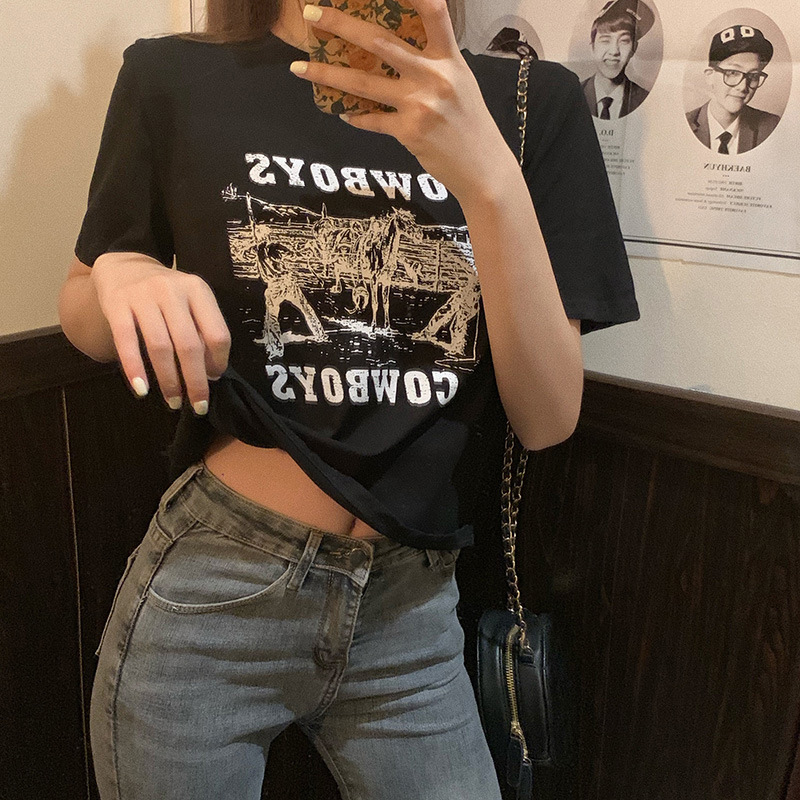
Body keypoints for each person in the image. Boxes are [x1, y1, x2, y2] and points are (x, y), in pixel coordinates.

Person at [58, 0, 640, 797]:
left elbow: (547, 417)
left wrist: (490, 178)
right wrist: (122, 271)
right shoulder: (172, 76)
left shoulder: (531, 101)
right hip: (216, 587)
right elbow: (83, 306)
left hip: (411, 609)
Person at [686, 25, 780, 155]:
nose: (743, 87)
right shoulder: (683, 125)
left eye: (753, 76)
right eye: (733, 73)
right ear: (710, 76)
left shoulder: (773, 127)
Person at [581, 0, 655, 120]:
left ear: (634, 49)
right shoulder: (574, 94)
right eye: (605, 40)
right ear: (592, 46)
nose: (614, 51)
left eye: (624, 41)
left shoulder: (647, 101)